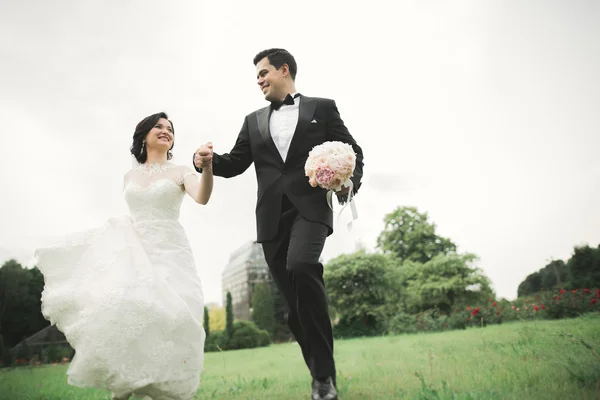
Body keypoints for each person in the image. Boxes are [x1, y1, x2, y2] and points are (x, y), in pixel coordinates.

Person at [193, 48, 364, 400]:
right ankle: (321, 373)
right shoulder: (252, 120)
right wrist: (204, 162)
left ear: (284, 70)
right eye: (256, 76)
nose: (258, 80)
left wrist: (348, 181)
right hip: (270, 218)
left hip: (311, 208)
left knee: (302, 267)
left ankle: (323, 381)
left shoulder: (323, 107)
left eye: (263, 73)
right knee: (295, 308)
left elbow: (352, 150)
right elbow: (235, 163)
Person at [34, 112, 214, 400]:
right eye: (158, 126)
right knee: (132, 311)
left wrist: (207, 168)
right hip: (134, 250)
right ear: (144, 134)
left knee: (176, 314)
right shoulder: (129, 176)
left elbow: (202, 197)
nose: (166, 131)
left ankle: (168, 389)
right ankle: (125, 387)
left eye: (170, 129)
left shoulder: (181, 171)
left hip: (172, 251)